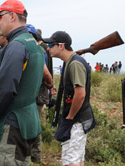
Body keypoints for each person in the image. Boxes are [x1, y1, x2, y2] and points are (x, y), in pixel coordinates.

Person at [0, 0, 44, 165]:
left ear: (12, 16)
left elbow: (5, 91)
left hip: (10, 124)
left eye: (0, 16)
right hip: (26, 121)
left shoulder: (16, 46)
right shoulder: (33, 44)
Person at [43, 31, 96, 166]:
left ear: (61, 46)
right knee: (77, 160)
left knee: (70, 161)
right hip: (78, 120)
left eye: (50, 44)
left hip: (76, 121)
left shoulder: (75, 64)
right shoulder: (72, 61)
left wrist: (70, 117)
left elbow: (80, 94)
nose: (48, 48)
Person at [26, 24, 56, 164]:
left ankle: (34, 157)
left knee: (34, 124)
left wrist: (49, 85)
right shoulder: (42, 49)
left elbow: (44, 72)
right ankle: (33, 157)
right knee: (33, 123)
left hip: (37, 91)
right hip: (40, 91)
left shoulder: (37, 50)